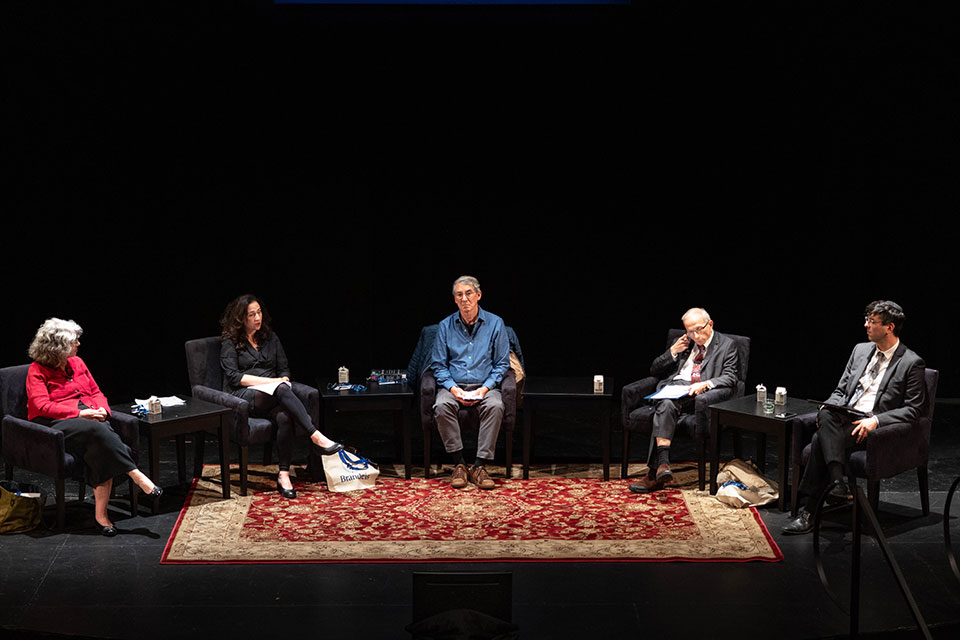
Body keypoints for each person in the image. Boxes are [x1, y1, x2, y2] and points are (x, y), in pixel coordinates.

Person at [783, 300, 925, 535]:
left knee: (820, 440)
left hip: (870, 424)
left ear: (889, 327)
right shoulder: (860, 350)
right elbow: (840, 391)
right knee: (827, 412)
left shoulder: (911, 362)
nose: (866, 325)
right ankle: (838, 483)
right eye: (867, 319)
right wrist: (826, 408)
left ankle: (809, 511)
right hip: (845, 415)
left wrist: (876, 421)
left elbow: (913, 409)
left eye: (872, 321)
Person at [25, 318, 161, 537]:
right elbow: (41, 405)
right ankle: (136, 475)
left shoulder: (78, 363)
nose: (78, 344)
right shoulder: (37, 370)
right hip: (54, 422)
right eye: (74, 340)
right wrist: (80, 413)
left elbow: (96, 392)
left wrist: (103, 410)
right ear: (58, 346)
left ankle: (101, 516)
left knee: (100, 447)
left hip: (89, 417)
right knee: (99, 431)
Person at [219, 294, 341, 499]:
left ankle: (283, 475)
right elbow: (234, 377)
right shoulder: (230, 343)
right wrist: (272, 383)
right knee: (282, 389)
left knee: (285, 416)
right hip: (244, 396)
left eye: (259, 312)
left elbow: (284, 369)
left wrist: (279, 380)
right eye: (251, 314)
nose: (257, 317)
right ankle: (316, 435)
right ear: (241, 318)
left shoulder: (270, 337)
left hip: (273, 394)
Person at [629, 307, 740, 494]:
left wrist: (706, 384)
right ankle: (662, 466)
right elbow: (654, 370)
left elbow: (731, 377)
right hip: (674, 388)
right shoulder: (682, 342)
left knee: (664, 406)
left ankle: (654, 472)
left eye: (698, 329)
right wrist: (672, 352)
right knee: (665, 403)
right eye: (689, 331)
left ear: (710, 324)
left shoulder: (727, 345)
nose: (695, 335)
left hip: (698, 392)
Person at [429, 275, 511, 490]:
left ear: (478, 295)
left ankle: (480, 466)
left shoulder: (495, 323)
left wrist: (484, 389)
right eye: (459, 295)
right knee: (441, 405)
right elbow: (438, 364)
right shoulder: (445, 326)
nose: (464, 299)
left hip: (485, 384)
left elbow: (502, 364)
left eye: (468, 293)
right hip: (455, 384)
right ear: (455, 300)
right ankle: (459, 464)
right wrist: (454, 389)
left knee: (495, 405)